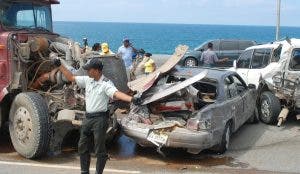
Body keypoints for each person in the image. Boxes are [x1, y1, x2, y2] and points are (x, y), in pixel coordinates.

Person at [52, 58, 141, 174]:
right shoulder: (88, 80)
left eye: (89, 69)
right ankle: (84, 171)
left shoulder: (106, 84)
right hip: (88, 118)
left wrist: (132, 99)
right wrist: (60, 66)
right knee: (82, 146)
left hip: (100, 119)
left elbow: (116, 94)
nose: (87, 71)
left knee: (99, 149)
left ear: (96, 71)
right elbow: (71, 77)